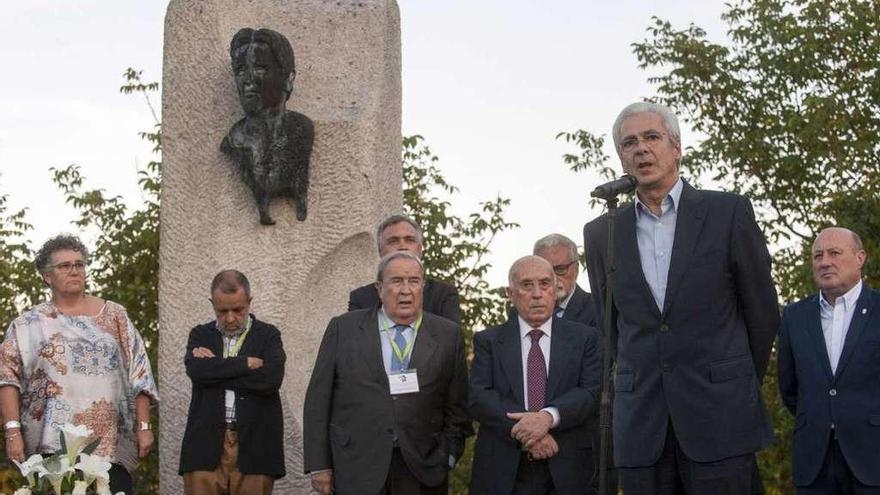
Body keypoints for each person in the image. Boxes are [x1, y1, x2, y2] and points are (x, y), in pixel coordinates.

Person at [583, 102, 779, 494]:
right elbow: (613, 327)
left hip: (721, 418)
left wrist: (729, 377)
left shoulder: (729, 213)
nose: (641, 149)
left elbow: (762, 313)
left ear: (677, 148)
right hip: (643, 427)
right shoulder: (602, 231)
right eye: (629, 143)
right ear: (621, 157)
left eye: (652, 137)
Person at [0, 234, 158, 495]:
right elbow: (7, 379)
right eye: (64, 266)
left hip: (110, 446)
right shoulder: (27, 325)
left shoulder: (116, 316)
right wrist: (12, 432)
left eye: (79, 264)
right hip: (51, 449)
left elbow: (140, 372)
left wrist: (143, 427)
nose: (74, 271)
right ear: (46, 276)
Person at [304, 251, 471, 495]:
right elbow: (318, 400)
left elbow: (457, 406)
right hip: (355, 466)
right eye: (396, 281)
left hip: (422, 468)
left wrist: (448, 455)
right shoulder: (344, 328)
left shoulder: (448, 335)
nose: (406, 290)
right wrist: (319, 465)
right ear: (380, 288)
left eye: (414, 281)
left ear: (422, 286)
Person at [469, 255, 601, 495]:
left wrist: (548, 418)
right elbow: (479, 397)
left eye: (545, 284)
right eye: (527, 285)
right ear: (511, 293)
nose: (537, 294)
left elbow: (590, 392)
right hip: (503, 467)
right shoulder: (488, 341)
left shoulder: (585, 338)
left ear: (555, 290)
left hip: (568, 467)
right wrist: (531, 433)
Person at [778, 227, 880, 493]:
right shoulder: (794, 317)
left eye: (835, 253)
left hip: (872, 457)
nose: (824, 262)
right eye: (818, 256)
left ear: (860, 258)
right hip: (815, 461)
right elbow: (789, 388)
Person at [178, 270, 286, 495]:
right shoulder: (200, 334)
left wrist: (216, 369)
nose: (229, 318)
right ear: (212, 304)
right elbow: (197, 371)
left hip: (256, 446)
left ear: (249, 302)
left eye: (237, 310)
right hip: (205, 447)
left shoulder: (268, 335)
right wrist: (245, 364)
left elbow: (270, 379)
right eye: (222, 311)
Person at [533, 234, 610, 494]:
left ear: (575, 269)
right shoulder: (521, 313)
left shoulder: (600, 311)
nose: (553, 278)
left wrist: (546, 419)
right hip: (529, 453)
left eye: (560, 269)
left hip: (581, 453)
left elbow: (595, 381)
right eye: (544, 270)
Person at [220, 27, 314, 225]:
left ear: (289, 79)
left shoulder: (302, 130)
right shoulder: (233, 141)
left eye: (260, 68)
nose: (248, 80)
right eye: (241, 70)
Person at [348, 214, 462, 323]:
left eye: (409, 240)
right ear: (380, 250)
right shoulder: (360, 298)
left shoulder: (443, 295)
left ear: (420, 248)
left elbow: (450, 341)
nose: (402, 247)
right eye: (393, 241)